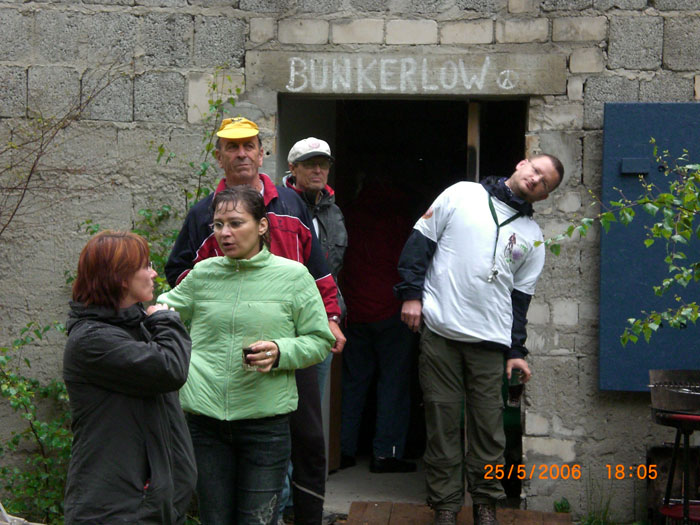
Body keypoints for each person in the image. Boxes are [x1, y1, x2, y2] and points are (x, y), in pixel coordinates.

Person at [165, 117, 344, 524]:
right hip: (220, 378)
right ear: (219, 157)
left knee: (306, 437)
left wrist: (330, 316)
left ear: (263, 153)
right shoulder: (202, 216)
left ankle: (302, 516)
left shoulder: (291, 204)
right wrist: (214, 297)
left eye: (249, 146)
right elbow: (177, 281)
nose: (242, 154)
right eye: (232, 147)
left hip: (290, 345)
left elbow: (318, 270)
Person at [394, 154, 564, 525]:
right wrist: (411, 295)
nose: (537, 180)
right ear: (521, 164)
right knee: (441, 423)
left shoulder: (533, 237)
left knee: (489, 430)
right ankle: (445, 507)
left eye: (546, 183)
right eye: (536, 170)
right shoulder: (462, 194)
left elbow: (520, 301)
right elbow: (420, 243)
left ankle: (486, 504)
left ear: (545, 196)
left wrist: (516, 351)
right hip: (441, 331)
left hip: (490, 341)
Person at [63, 231, 196, 525]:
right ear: (121, 277)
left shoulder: (136, 327)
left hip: (152, 508)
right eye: (146, 266)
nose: (153, 273)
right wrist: (167, 322)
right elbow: (170, 368)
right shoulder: (92, 341)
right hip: (115, 510)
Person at [281, 137, 347, 519]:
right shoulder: (279, 207)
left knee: (309, 416)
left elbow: (331, 271)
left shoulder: (333, 211)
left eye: (323, 163)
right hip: (287, 325)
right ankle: (282, 502)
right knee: (284, 414)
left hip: (321, 324)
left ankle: (301, 504)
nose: (318, 170)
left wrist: (334, 316)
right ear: (293, 169)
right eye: (310, 164)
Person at [338, 174, 418, 474]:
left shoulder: (349, 214)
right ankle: (386, 453)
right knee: (393, 385)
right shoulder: (401, 219)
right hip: (392, 312)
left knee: (352, 383)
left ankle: (342, 449)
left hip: (355, 311)